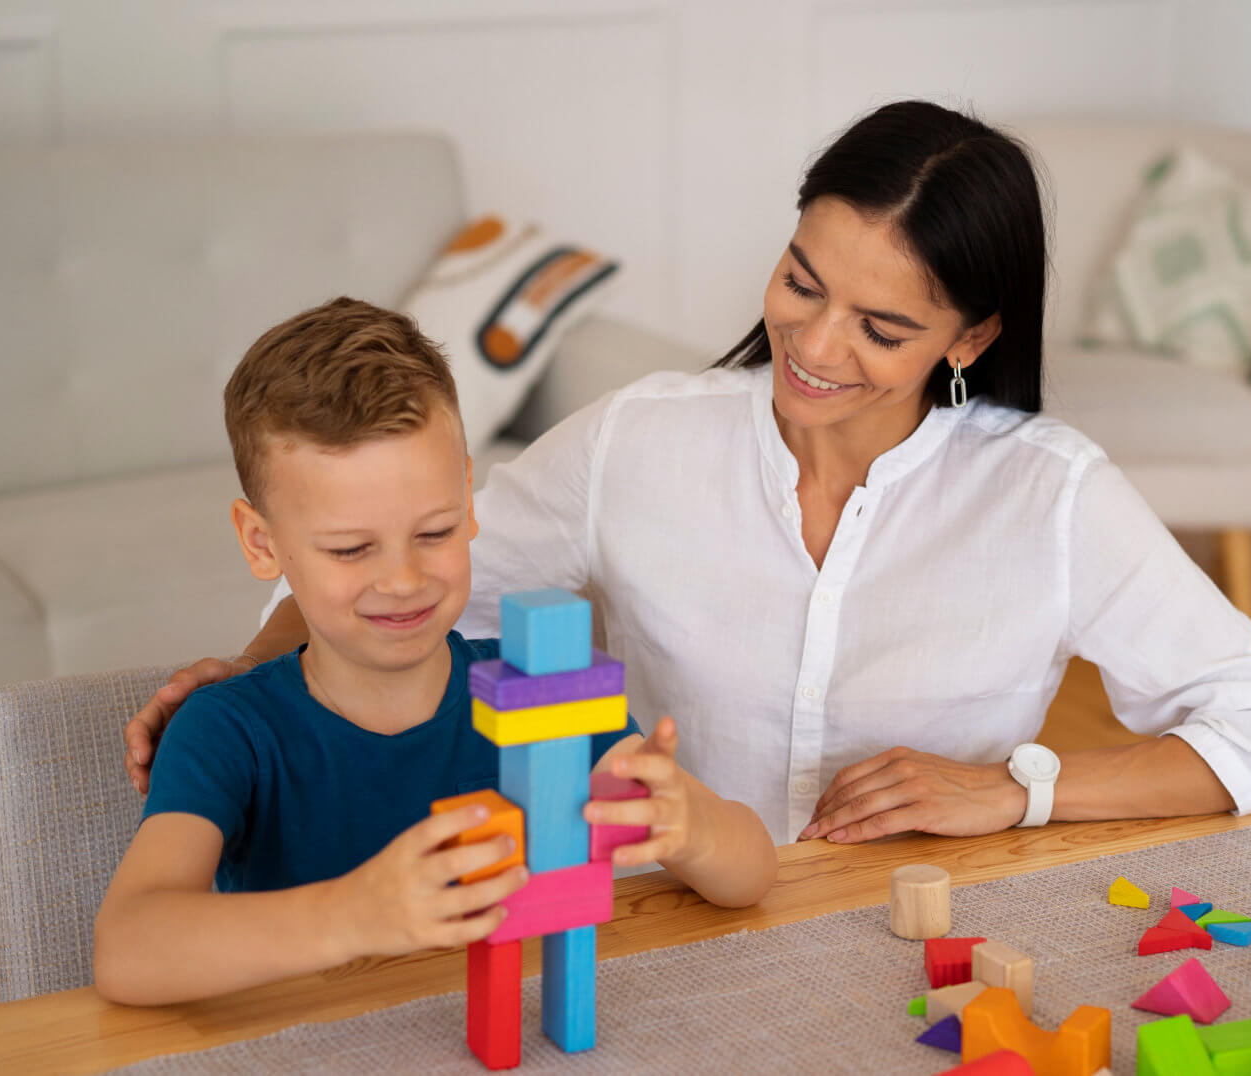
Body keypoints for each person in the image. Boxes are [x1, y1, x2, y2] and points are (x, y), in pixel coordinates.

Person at [124, 100, 1251, 853]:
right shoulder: (643, 440)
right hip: (669, 921)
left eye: (882, 327)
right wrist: (246, 672)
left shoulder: (1050, 495)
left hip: (927, 934)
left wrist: (1017, 791)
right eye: (803, 281)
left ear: (968, 339)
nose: (813, 347)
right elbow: (422, 570)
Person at [94, 299, 776, 1006]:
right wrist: (356, 913)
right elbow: (127, 948)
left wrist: (689, 826)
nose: (403, 579)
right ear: (263, 544)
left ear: (469, 500)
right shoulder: (229, 730)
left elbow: (751, 873)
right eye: (352, 548)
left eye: (435, 531)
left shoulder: (540, 685)